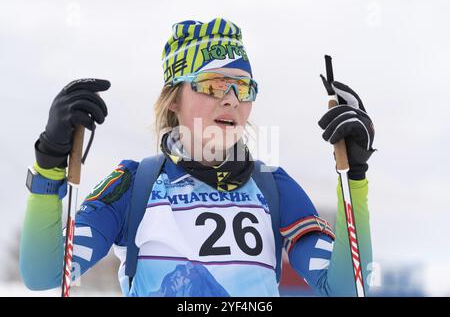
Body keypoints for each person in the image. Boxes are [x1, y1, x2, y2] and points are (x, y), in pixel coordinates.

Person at [20, 18, 375, 297]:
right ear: (174, 99)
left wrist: (354, 176)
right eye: (214, 85)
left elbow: (347, 288)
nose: (232, 99)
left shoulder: (273, 186)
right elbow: (44, 273)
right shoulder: (134, 184)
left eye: (244, 87)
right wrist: (50, 160)